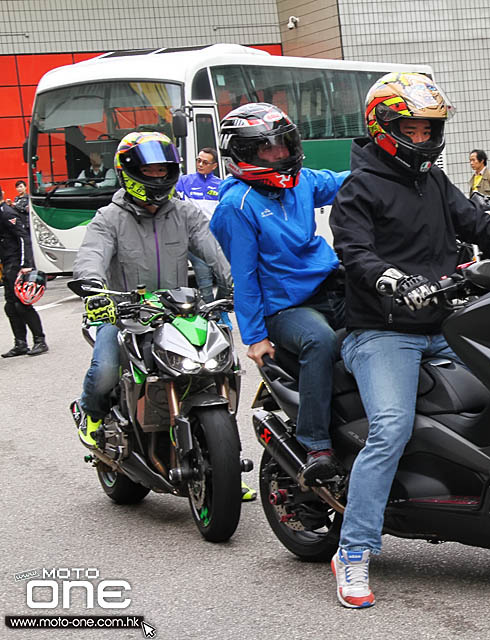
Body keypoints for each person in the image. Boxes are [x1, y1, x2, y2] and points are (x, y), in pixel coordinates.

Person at [329, 72, 490, 609]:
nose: (424, 139)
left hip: (445, 324)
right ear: (383, 127)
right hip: (383, 332)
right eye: (414, 129)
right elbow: (354, 254)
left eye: (430, 129)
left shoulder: (437, 183)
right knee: (391, 428)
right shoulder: (359, 188)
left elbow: (481, 226)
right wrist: (394, 281)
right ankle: (353, 552)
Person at [70, 130, 243, 486]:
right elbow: (92, 255)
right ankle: (92, 413)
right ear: (128, 172)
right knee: (104, 370)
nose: (158, 178)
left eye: (164, 171)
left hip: (179, 312)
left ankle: (221, 466)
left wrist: (238, 285)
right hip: (124, 313)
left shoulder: (184, 212)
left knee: (218, 370)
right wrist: (94, 289)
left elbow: (215, 250)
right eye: (149, 172)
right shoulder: (109, 217)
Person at [210, 103, 348, 489]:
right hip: (285, 307)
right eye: (267, 149)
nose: (280, 155)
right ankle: (316, 444)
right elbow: (245, 277)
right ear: (244, 154)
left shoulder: (302, 181)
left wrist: (388, 167)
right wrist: (254, 337)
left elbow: (342, 181)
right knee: (319, 342)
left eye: (284, 146)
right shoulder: (236, 207)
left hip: (327, 284)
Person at [0, 186, 47, 357]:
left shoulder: (7, 213)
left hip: (16, 264)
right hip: (7, 264)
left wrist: (24, 264)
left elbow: (23, 237)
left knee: (22, 304)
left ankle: (40, 340)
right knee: (10, 306)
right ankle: (20, 343)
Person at [177, 147, 227, 306]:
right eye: (198, 160)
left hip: (216, 239)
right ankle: (212, 314)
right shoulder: (184, 181)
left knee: (226, 279)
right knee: (204, 279)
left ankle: (218, 310)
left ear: (214, 166)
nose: (200, 164)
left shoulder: (221, 185)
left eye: (205, 162)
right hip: (194, 240)